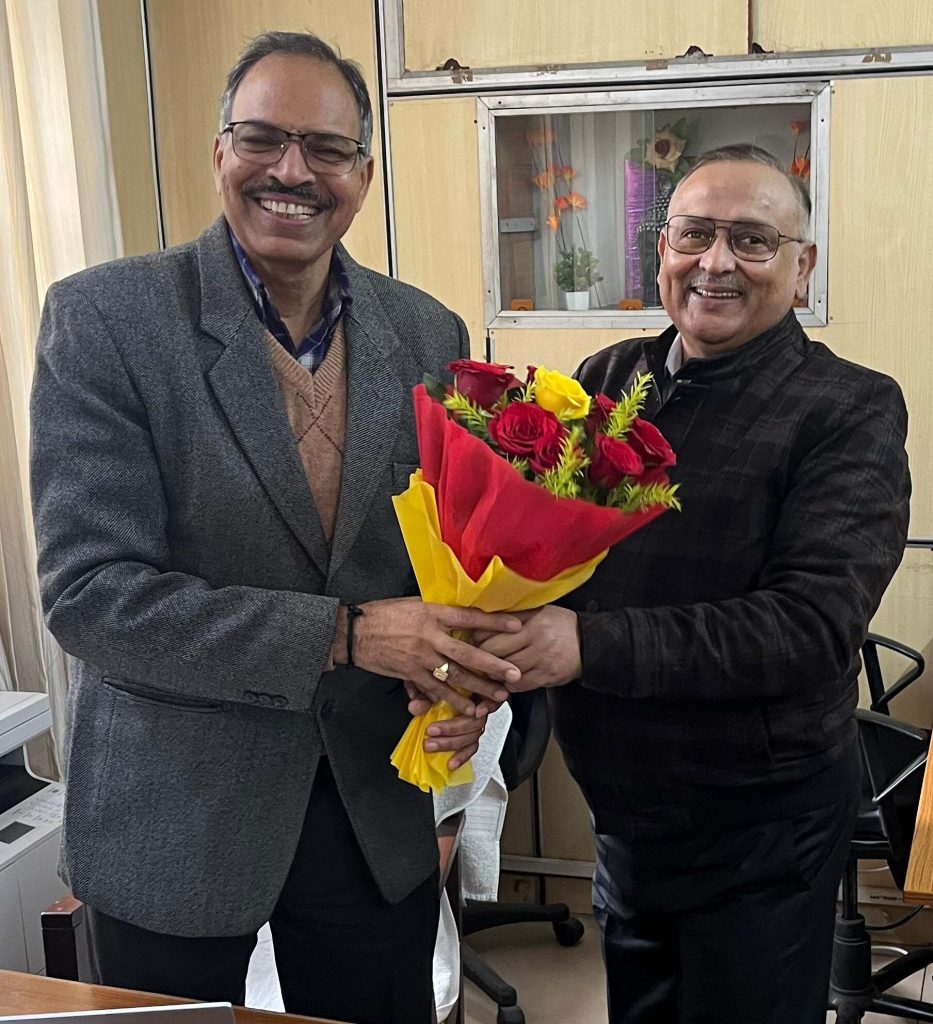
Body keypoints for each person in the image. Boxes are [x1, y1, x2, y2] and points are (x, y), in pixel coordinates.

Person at [30, 31, 519, 1024]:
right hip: (173, 814)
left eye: (326, 148)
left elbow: (451, 563)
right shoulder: (108, 320)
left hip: (369, 805)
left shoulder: (427, 333)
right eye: (262, 138)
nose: (292, 171)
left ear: (363, 176)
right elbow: (90, 598)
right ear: (220, 152)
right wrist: (344, 634)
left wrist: (460, 684)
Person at [479, 145, 911, 1023]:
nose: (715, 262)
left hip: (759, 830)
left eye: (751, 240)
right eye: (693, 234)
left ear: (801, 266)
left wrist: (586, 644)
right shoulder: (609, 380)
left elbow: (808, 626)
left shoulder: (847, 408)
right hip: (624, 815)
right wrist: (480, 666)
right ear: (662, 249)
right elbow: (545, 566)